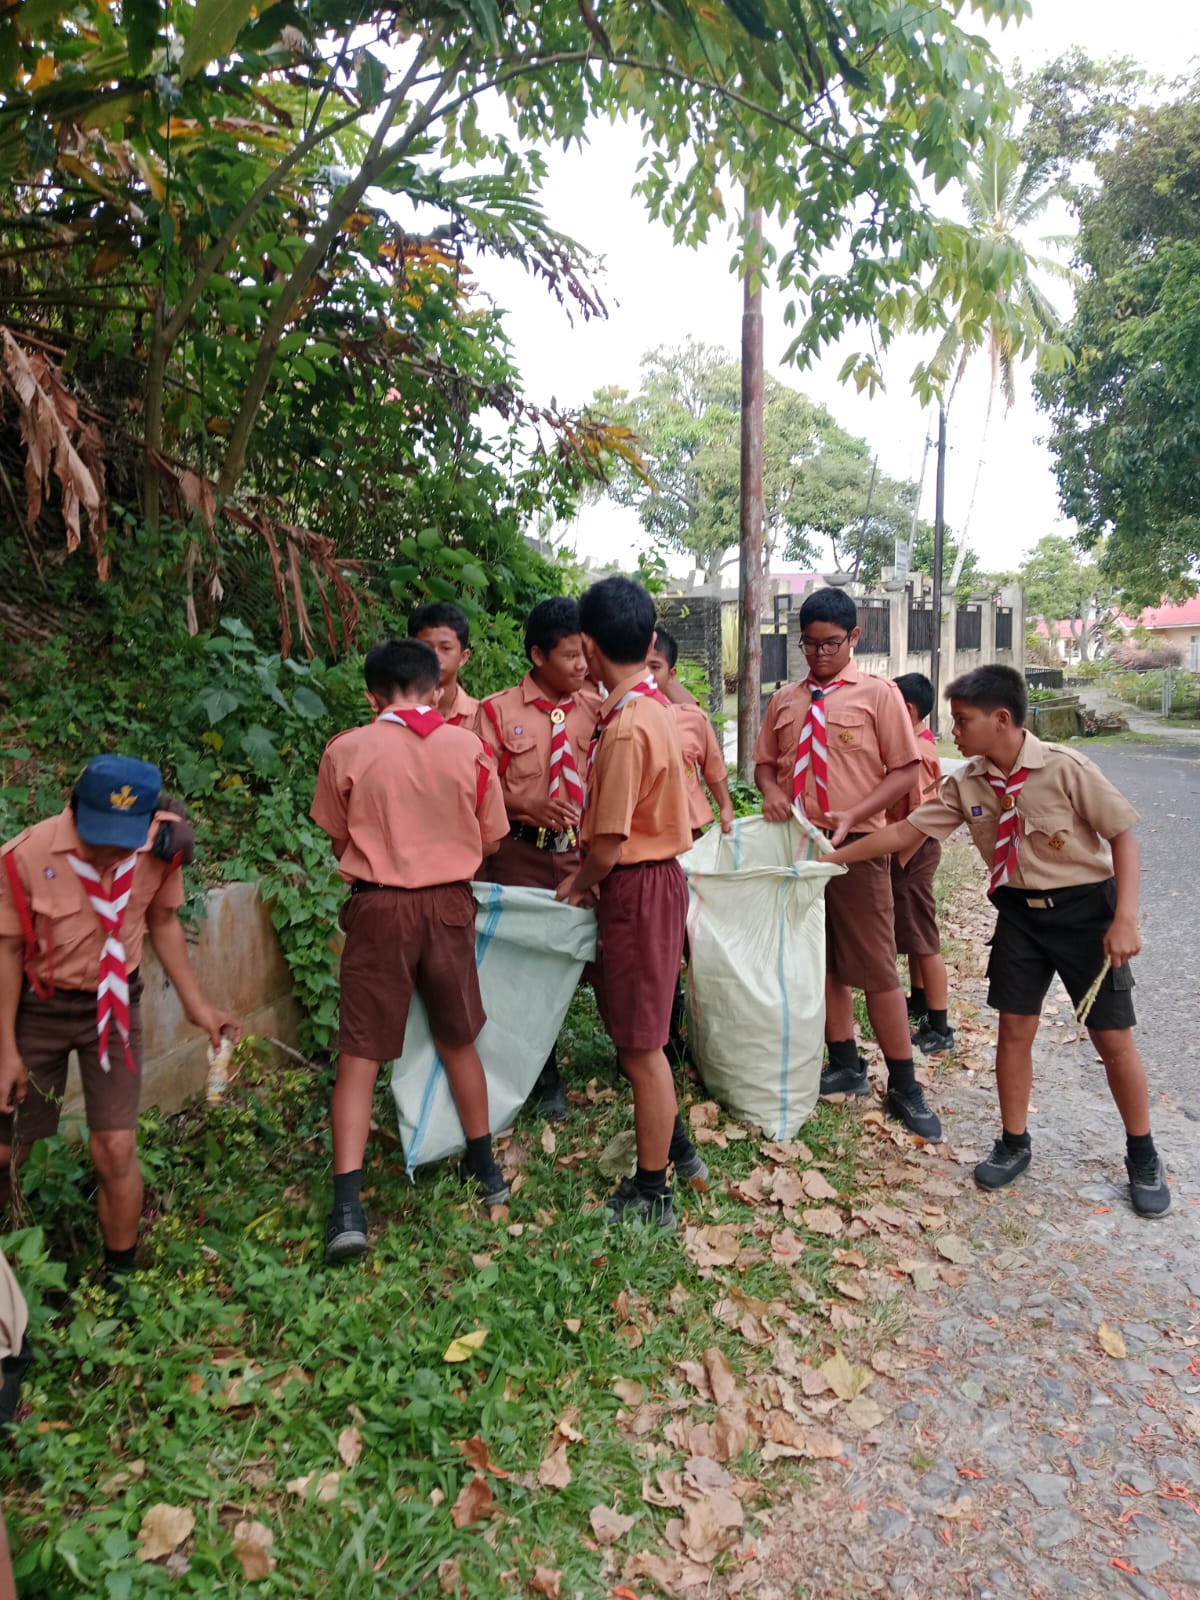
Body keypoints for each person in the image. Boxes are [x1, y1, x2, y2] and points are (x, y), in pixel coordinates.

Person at [824, 664, 1169, 1216]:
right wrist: (832, 858)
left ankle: (1143, 1153)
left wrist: (1125, 917)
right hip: (1019, 916)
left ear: (1001, 718)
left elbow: (1122, 836)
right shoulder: (967, 783)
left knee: (1112, 1040)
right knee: (1014, 1031)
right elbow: (906, 832)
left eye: (962, 721)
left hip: (1086, 914)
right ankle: (1014, 1141)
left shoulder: (1065, 768)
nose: (952, 732)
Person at [0, 756, 241, 1285]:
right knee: (5, 1147)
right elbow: (8, 947)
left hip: (113, 1004)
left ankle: (119, 1278)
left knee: (115, 1146)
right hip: (36, 1007)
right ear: (73, 807)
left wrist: (197, 1006)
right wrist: (6, 1051)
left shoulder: (158, 849)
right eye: (99, 835)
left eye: (123, 837)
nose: (112, 851)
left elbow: (163, 922)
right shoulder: (28, 854)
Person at [312, 638, 511, 1264]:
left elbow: (337, 830)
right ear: (436, 689)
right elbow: (491, 835)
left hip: (377, 909)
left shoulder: (346, 749)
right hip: (449, 905)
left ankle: (348, 1208)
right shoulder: (470, 748)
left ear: (372, 697)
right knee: (458, 1041)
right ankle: (486, 1171)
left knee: (360, 1055)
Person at [753, 587, 941, 1140]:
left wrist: (855, 812)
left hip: (857, 848)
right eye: (808, 645)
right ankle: (845, 1063)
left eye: (831, 644)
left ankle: (904, 1083)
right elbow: (766, 766)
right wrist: (769, 791)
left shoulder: (878, 696)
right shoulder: (785, 700)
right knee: (822, 960)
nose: (818, 655)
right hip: (798, 849)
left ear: (854, 637)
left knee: (878, 967)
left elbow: (906, 772)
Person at [557, 576, 705, 1228]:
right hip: (650, 884)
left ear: (588, 646)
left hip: (638, 886)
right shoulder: (651, 710)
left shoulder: (624, 727)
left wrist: (580, 880)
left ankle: (654, 1190)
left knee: (642, 1048)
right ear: (649, 643)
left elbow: (611, 839)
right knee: (638, 1035)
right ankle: (678, 1154)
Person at [471, 598, 602, 1122]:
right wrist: (525, 803)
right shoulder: (497, 711)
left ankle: (643, 1051)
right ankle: (544, 1076)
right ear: (537, 655)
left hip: (581, 855)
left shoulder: (596, 708)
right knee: (524, 966)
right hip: (519, 855)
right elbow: (475, 788)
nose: (580, 666)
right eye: (569, 656)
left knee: (602, 953)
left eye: (584, 655)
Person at [889, 672, 954, 1056]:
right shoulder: (917, 743)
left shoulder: (918, 752)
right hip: (910, 850)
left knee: (924, 939)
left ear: (908, 710)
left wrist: (898, 862)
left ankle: (940, 1024)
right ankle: (919, 1001)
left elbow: (917, 815)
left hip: (912, 851)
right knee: (913, 935)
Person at [646, 628, 735, 839]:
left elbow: (713, 768)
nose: (646, 676)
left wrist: (725, 806)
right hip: (645, 833)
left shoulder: (692, 718)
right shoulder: (619, 719)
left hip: (690, 829)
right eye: (640, 668)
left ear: (671, 674)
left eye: (655, 667)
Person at [409, 600, 478, 727]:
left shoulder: (480, 717)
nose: (435, 657)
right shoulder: (396, 715)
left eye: (445, 648)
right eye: (426, 647)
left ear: (463, 657)